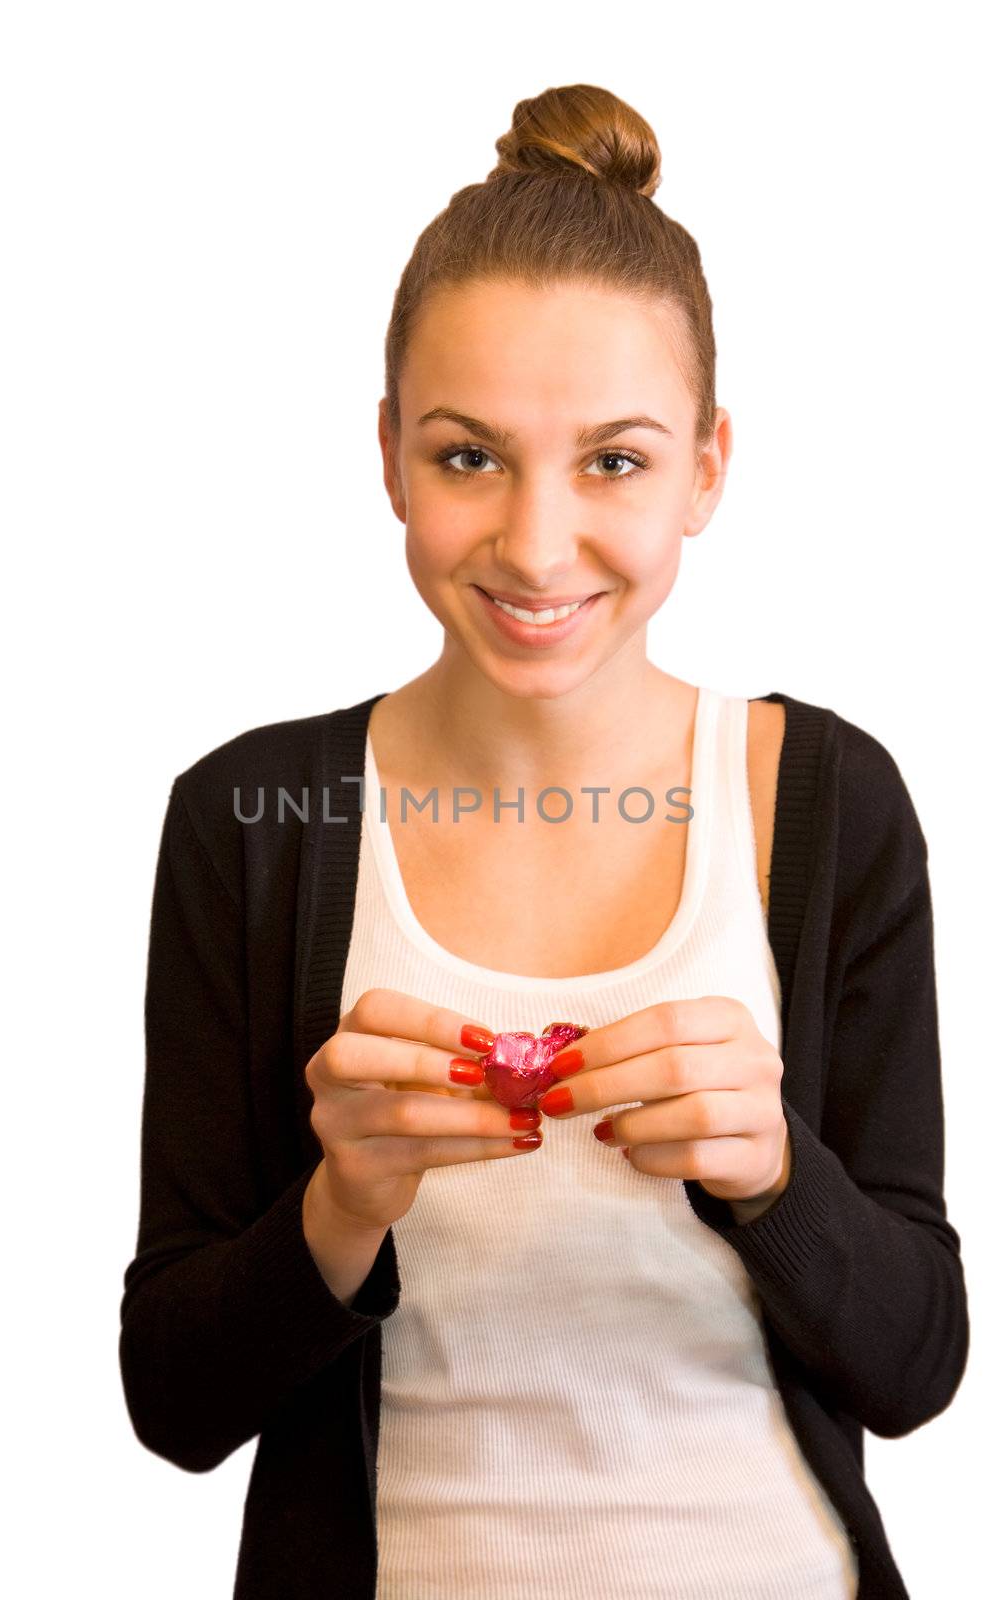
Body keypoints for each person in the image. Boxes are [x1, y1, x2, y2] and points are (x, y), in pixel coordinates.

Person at [119, 83, 970, 1600]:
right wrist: (339, 1204)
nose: (534, 541)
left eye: (615, 461)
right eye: (468, 458)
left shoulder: (830, 800)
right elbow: (173, 1403)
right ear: (388, 456)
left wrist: (776, 1174)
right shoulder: (255, 820)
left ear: (709, 466)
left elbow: (915, 1365)